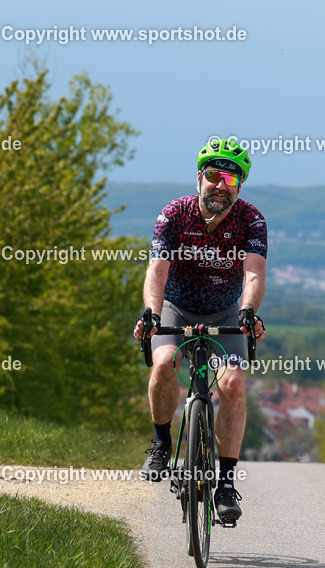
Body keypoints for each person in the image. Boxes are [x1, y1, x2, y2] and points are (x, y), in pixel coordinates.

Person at [133, 137, 268, 523]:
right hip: (177, 307)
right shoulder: (173, 214)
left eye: (231, 178)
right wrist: (152, 313)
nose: (220, 184)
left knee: (232, 385)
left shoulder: (251, 219)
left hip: (226, 310)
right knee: (162, 365)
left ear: (239, 187)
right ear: (199, 178)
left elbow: (254, 272)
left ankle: (225, 483)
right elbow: (157, 269)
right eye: (213, 174)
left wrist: (246, 311)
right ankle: (161, 444)